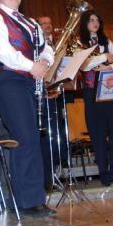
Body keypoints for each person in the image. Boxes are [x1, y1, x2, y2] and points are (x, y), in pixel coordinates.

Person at [0, 0, 56, 217]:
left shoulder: (30, 22)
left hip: (27, 81)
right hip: (8, 80)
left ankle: (27, 199)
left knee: (29, 136)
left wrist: (45, 61)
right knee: (25, 137)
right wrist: (31, 66)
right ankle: (29, 201)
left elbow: (46, 47)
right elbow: (1, 51)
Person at [78, 10, 113, 185]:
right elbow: (84, 65)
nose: (95, 23)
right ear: (85, 23)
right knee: (98, 134)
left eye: (97, 20)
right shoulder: (79, 42)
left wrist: (110, 67)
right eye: (91, 20)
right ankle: (105, 174)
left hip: (109, 91)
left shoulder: (106, 41)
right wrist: (103, 57)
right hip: (91, 92)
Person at [36, 15, 68, 190]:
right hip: (43, 94)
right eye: (43, 23)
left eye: (49, 23)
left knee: (60, 132)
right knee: (48, 134)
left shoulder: (59, 44)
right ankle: (48, 174)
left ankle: (59, 166)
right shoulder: (37, 45)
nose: (47, 26)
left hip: (60, 93)